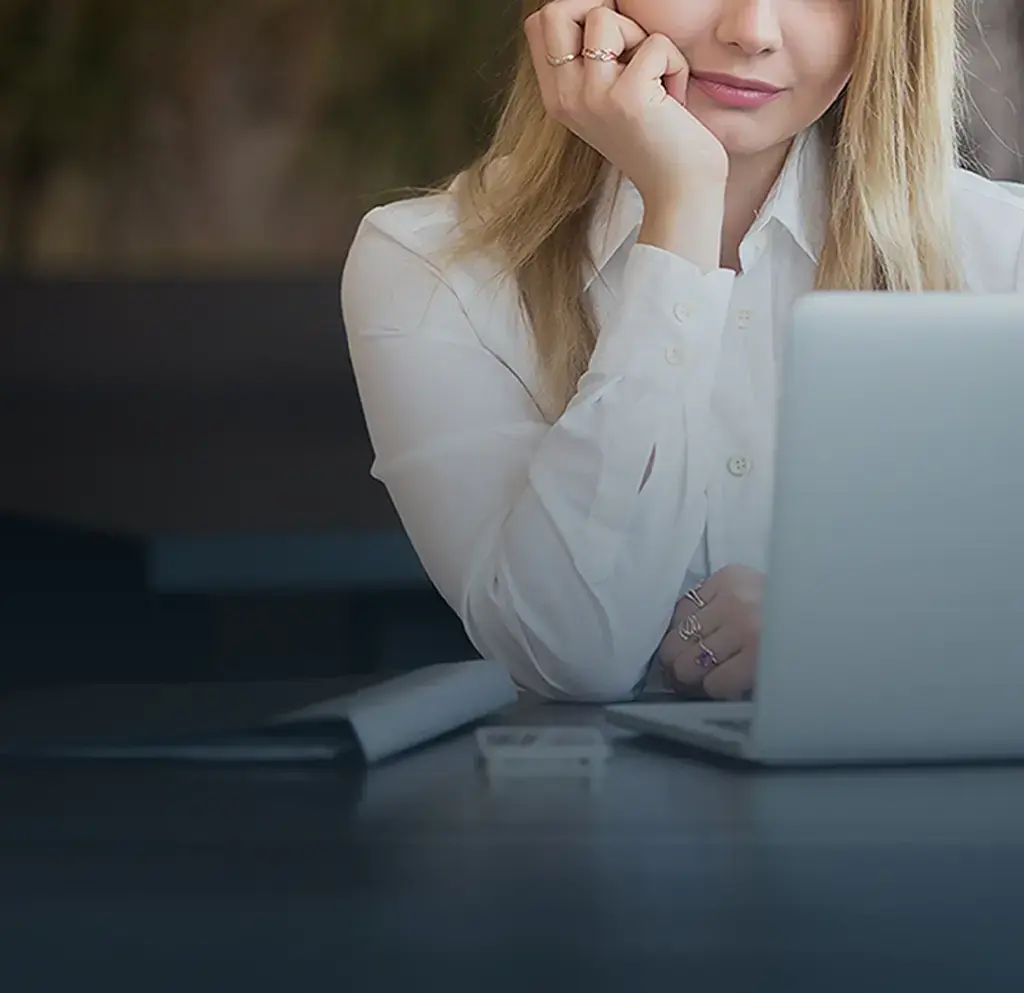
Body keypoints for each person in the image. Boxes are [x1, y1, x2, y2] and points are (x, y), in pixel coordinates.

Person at [340, 0, 1024, 703]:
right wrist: (682, 203)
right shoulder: (430, 265)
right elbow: (570, 651)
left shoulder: (1003, 257)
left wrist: (847, 633)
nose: (752, 31)